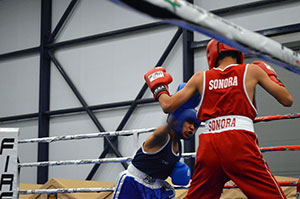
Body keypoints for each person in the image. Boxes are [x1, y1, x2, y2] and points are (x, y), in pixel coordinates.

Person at [144, 39, 293, 199]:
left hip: (209, 146)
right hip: (240, 143)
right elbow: (287, 100)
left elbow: (167, 105)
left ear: (212, 55)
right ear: (238, 52)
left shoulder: (201, 78)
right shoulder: (252, 71)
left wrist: (159, 87)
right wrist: (271, 76)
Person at [112, 83, 201, 199]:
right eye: (189, 122)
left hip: (156, 188)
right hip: (134, 183)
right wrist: (173, 107)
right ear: (180, 118)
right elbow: (159, 132)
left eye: (195, 125)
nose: (192, 128)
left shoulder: (178, 146)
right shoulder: (163, 137)